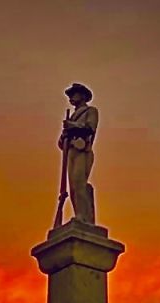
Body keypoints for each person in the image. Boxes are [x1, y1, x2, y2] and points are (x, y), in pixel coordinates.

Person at [58, 83, 98, 224]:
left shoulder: (90, 111)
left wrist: (72, 126)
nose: (70, 98)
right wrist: (64, 136)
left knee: (79, 181)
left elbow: (90, 128)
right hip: (71, 152)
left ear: (82, 95)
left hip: (82, 149)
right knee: (73, 187)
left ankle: (84, 216)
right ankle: (79, 214)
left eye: (73, 94)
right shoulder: (72, 118)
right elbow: (61, 144)